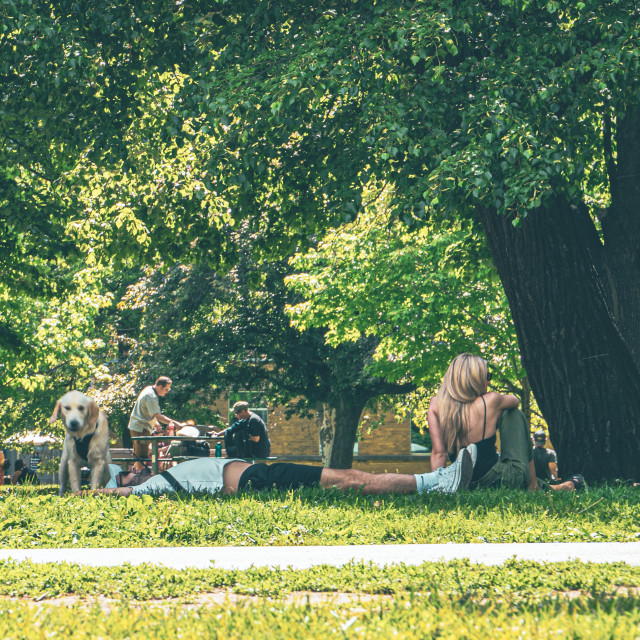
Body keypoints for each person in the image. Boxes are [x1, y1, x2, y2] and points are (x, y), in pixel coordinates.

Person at [427, 353, 585, 492]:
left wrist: (436, 485)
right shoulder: (491, 400)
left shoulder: (436, 404)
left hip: (466, 481)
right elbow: (515, 401)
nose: (489, 382)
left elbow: (438, 453)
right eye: (487, 376)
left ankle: (557, 486)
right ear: (474, 378)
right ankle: (535, 484)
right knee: (514, 414)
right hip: (499, 478)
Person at [90, 443, 476, 498]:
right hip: (260, 480)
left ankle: (433, 481)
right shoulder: (150, 487)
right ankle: (433, 483)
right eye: (123, 473)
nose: (132, 471)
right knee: (348, 480)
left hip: (261, 474)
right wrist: (93, 493)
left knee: (345, 479)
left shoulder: (158, 479)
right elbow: (114, 494)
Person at [127, 377, 185, 471]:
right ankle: (139, 477)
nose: (167, 391)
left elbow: (147, 411)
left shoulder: (149, 389)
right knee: (142, 456)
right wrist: (175, 423)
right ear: (160, 387)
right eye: (166, 389)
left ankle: (138, 474)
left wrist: (155, 422)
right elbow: (158, 416)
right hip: (141, 428)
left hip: (139, 427)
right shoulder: (151, 396)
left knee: (141, 455)